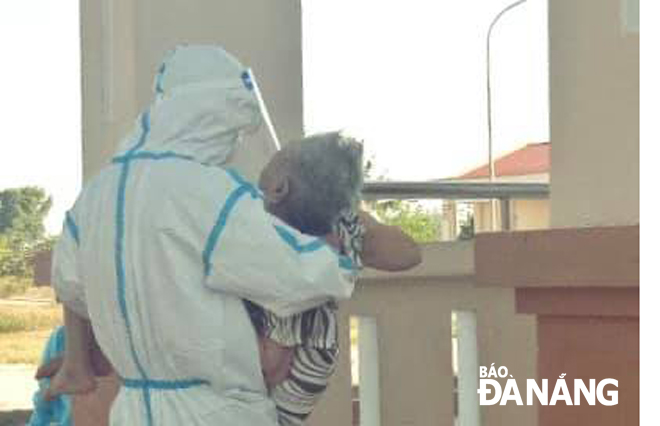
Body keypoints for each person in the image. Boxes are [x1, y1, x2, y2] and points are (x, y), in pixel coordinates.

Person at [45, 45, 421, 425]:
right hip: (217, 413)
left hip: (133, 411)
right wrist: (340, 254)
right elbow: (296, 275)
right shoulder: (209, 193)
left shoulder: (94, 196)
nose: (237, 140)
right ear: (215, 111)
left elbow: (74, 287)